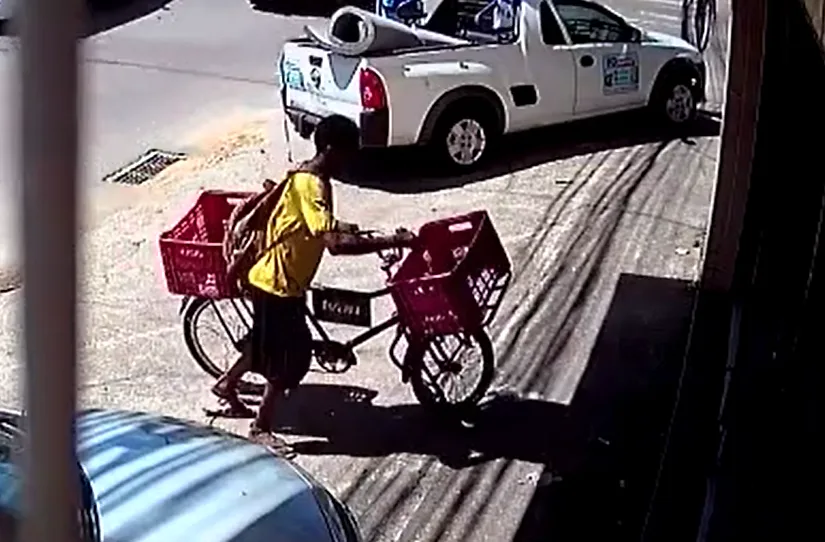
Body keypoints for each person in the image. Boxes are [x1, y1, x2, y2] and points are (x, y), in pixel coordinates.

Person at [210, 114, 414, 456]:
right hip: (278, 286)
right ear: (332, 149)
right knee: (289, 362)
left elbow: (319, 226)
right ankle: (261, 427)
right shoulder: (312, 184)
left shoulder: (311, 175)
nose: (353, 158)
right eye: (349, 151)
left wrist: (355, 229)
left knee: (265, 345)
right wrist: (393, 239)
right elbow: (333, 244)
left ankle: (226, 385)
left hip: (276, 279)